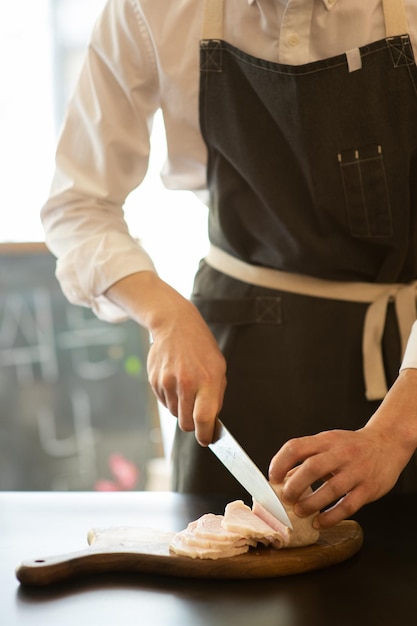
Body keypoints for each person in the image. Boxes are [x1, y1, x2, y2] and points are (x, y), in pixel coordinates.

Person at [41, 0, 417, 529]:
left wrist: (395, 432)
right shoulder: (151, 9)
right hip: (238, 361)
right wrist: (166, 315)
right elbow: (78, 204)